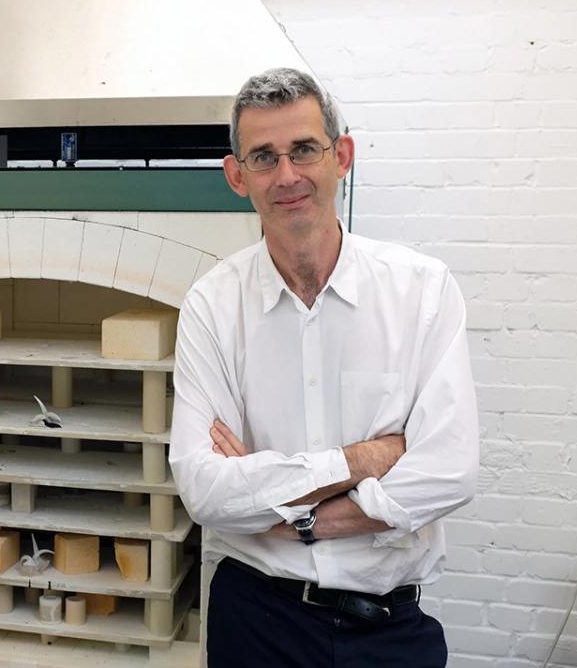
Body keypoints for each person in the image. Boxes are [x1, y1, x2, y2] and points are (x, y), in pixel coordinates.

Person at [168, 67, 478, 667]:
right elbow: (206, 491)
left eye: (304, 149)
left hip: (388, 629)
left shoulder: (422, 292)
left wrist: (297, 520)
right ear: (237, 176)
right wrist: (362, 460)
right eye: (264, 157)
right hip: (255, 621)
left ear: (342, 157)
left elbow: (450, 471)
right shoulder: (212, 306)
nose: (287, 175)